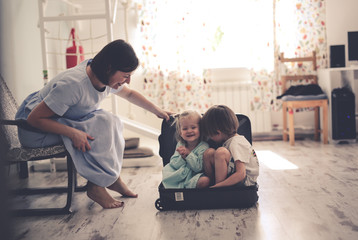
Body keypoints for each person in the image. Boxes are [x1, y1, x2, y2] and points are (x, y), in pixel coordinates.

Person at [15, 39, 171, 209]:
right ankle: (96, 185)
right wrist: (73, 133)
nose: (127, 81)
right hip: (35, 131)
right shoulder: (74, 84)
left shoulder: (103, 76)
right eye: (126, 75)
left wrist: (157, 110)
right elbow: (33, 120)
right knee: (101, 126)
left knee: (111, 121)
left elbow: (130, 94)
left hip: (56, 119)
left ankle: (112, 178)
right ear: (109, 67)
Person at [201, 105, 259, 188]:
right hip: (236, 175)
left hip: (245, 183)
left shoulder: (236, 143)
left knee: (221, 152)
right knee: (209, 153)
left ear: (218, 133)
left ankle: (219, 190)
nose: (210, 138)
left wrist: (219, 186)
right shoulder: (229, 141)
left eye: (210, 135)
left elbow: (241, 174)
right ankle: (211, 184)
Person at [162, 110, 210, 188]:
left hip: (192, 177)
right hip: (178, 175)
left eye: (193, 127)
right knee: (166, 172)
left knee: (205, 180)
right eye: (185, 129)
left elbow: (198, 168)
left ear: (201, 129)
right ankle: (179, 189)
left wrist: (188, 155)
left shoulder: (203, 146)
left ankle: (186, 190)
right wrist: (182, 158)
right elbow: (173, 163)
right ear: (180, 132)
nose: (189, 131)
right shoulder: (181, 144)